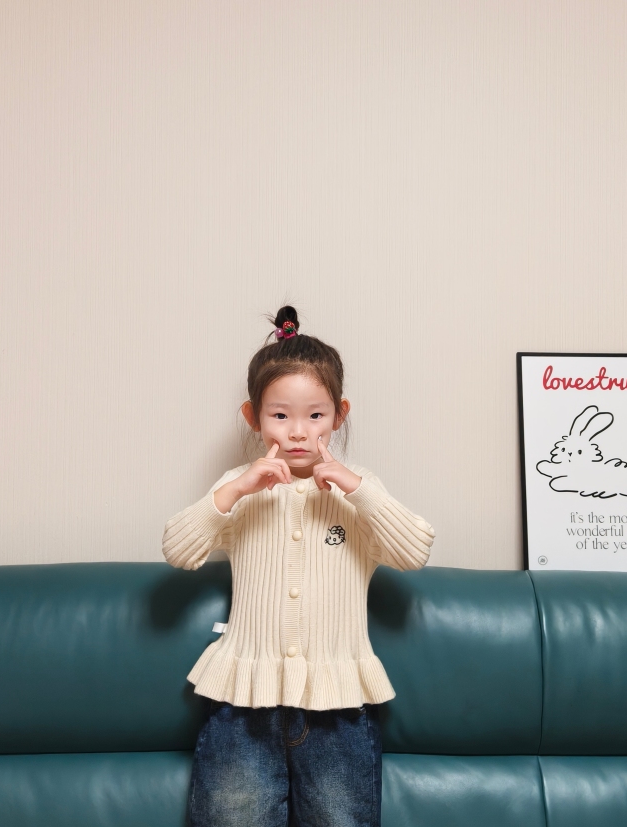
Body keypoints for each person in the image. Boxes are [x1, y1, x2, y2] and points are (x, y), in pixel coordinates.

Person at [162, 306, 435, 827]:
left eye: (315, 416)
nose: (298, 433)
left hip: (340, 711)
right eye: (280, 416)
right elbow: (178, 548)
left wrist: (357, 489)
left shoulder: (359, 492)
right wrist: (235, 490)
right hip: (241, 707)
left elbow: (413, 551)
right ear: (253, 417)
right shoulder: (242, 487)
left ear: (339, 414)